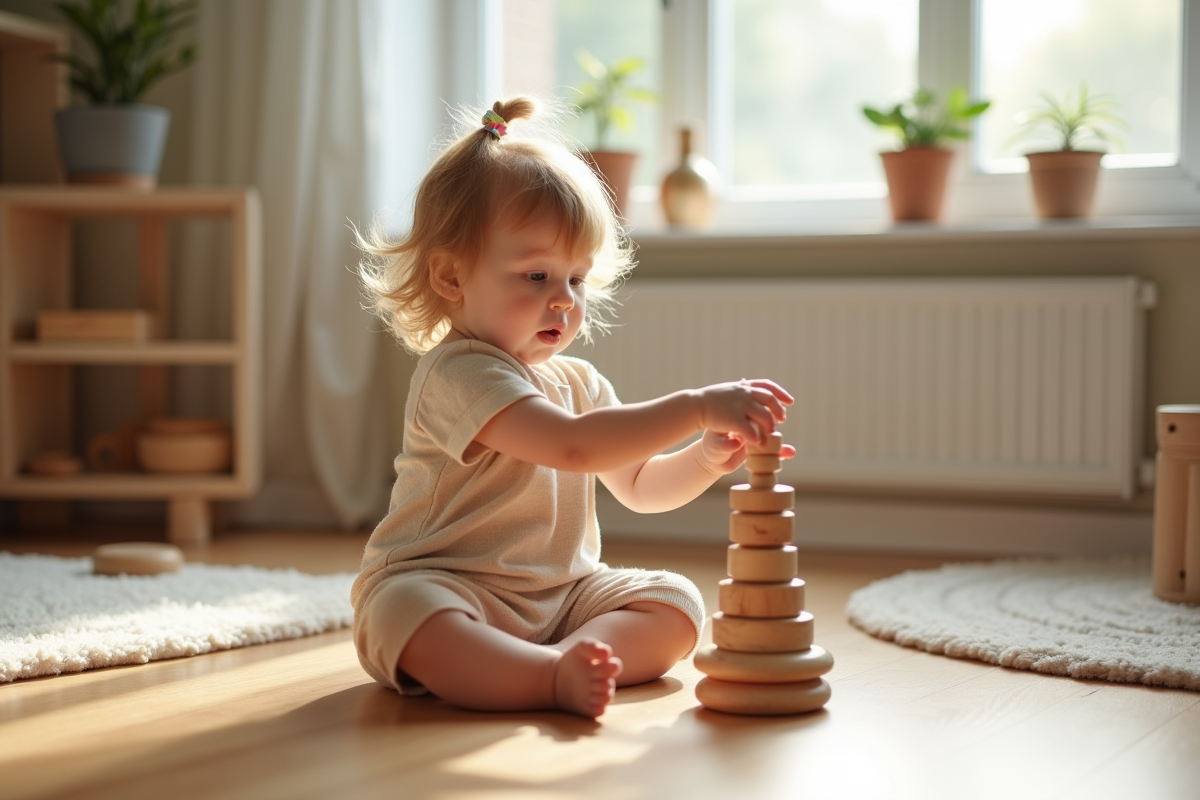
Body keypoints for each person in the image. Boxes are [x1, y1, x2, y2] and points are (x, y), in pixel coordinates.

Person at [352, 96, 794, 719]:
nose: (563, 300)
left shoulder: (579, 382)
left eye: (576, 279)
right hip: (450, 586)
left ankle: (567, 659)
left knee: (675, 602)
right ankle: (542, 675)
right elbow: (574, 445)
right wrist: (695, 406)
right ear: (451, 277)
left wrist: (703, 459)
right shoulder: (459, 373)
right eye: (536, 276)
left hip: (562, 598)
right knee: (404, 612)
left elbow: (640, 485)